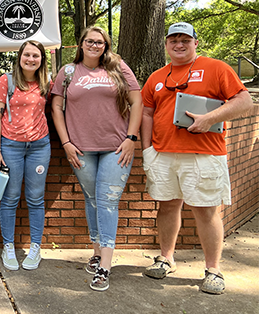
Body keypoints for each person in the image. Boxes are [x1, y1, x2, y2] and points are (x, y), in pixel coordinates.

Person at [141, 22, 253, 294]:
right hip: (163, 154)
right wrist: (147, 150)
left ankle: (213, 270)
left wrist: (209, 119)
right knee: (167, 207)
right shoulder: (157, 76)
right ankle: (166, 258)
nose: (179, 45)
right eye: (173, 40)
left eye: (185, 40)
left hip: (203, 154)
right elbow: (146, 112)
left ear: (195, 43)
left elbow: (244, 101)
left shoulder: (217, 68)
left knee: (206, 210)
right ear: (166, 44)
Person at [50, 26, 143, 291]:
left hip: (117, 148)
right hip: (81, 149)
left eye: (100, 42)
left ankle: (105, 265)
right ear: (80, 44)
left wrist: (131, 138)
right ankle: (96, 251)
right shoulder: (68, 72)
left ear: (106, 45)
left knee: (107, 201)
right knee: (91, 199)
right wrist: (66, 142)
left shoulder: (118, 67)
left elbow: (137, 102)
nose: (94, 45)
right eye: (89, 41)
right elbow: (56, 107)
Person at [0, 40, 51, 272]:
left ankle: (35, 247)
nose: (31, 59)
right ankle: (8, 246)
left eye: (36, 55)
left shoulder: (46, 83)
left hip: (39, 146)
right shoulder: (6, 81)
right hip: (11, 146)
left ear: (41, 59)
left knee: (36, 198)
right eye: (27, 55)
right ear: (20, 57)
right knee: (11, 197)